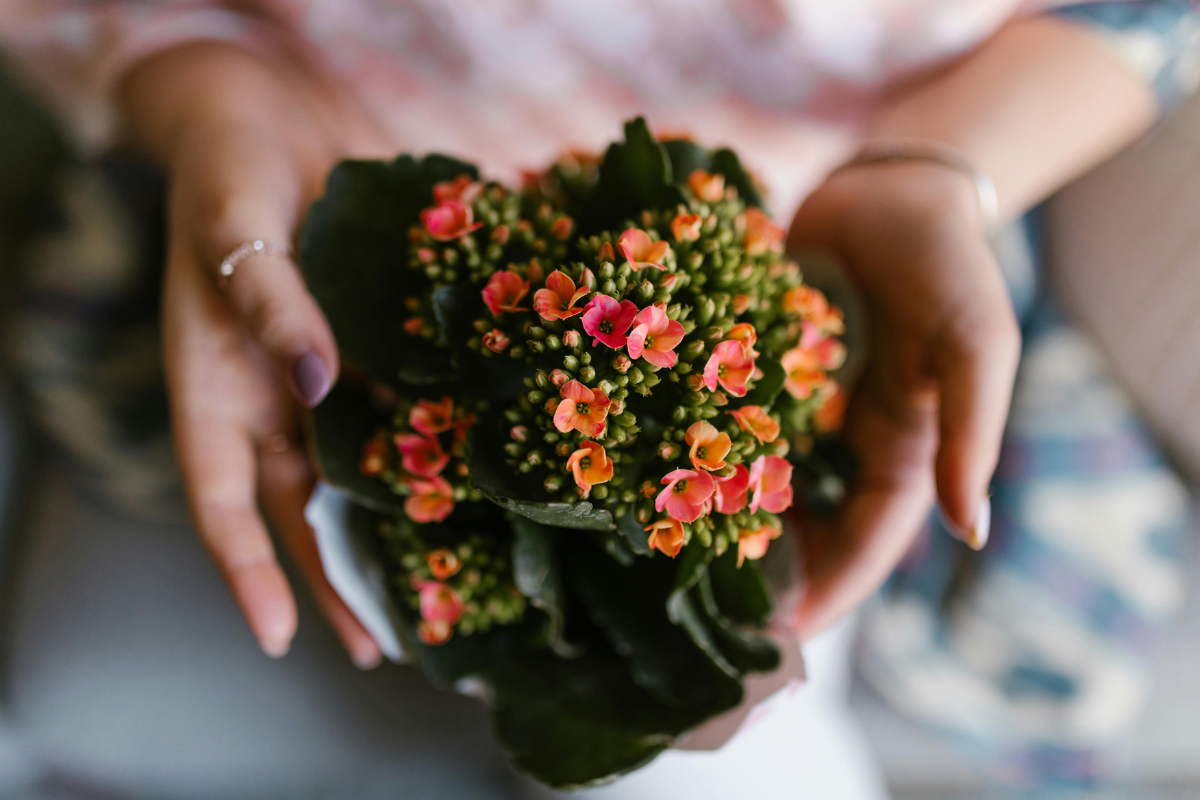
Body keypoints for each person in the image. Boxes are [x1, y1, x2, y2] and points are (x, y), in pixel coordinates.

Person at [0, 1, 1194, 797]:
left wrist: (937, 165)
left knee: (694, 696)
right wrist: (212, 95)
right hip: (353, 241)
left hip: (839, 242)